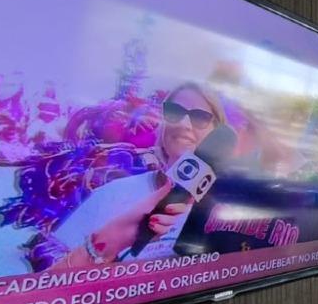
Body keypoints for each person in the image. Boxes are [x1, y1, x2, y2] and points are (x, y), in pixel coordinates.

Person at [46, 83, 226, 269]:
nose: (183, 124)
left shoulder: (227, 208)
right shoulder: (112, 194)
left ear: (219, 135)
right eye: (174, 112)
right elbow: (47, 275)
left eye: (200, 117)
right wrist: (105, 243)